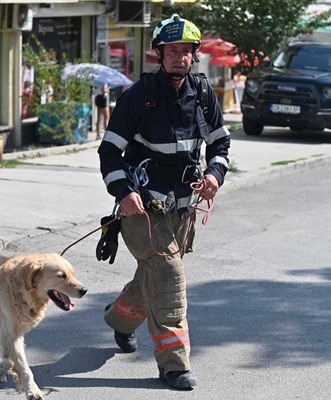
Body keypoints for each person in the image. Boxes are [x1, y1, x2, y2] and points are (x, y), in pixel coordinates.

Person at [97, 14, 230, 390]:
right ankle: (174, 366)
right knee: (169, 278)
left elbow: (221, 143)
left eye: (186, 51)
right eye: (172, 50)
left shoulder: (203, 95)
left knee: (153, 276)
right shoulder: (138, 97)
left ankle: (120, 320)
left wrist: (214, 175)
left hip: (183, 210)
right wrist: (124, 193)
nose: (179, 57)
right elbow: (109, 153)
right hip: (144, 210)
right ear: (159, 54)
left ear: (194, 55)